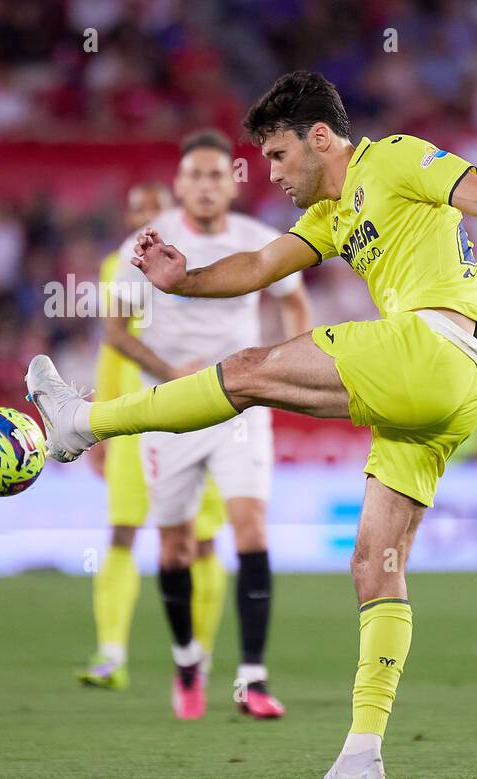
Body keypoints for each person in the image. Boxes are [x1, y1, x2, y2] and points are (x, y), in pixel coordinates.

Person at [26, 71, 477, 779]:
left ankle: (81, 424)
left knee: (251, 370)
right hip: (447, 394)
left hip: (433, 347)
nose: (271, 173)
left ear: (320, 138)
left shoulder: (390, 158)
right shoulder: (331, 216)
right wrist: (183, 279)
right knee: (374, 567)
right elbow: (260, 267)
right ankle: (363, 759)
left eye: (278, 156)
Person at [102, 130, 314, 720]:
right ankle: (188, 659)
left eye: (217, 175)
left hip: (240, 408)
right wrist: (171, 370)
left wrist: (281, 361)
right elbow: (117, 332)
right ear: (178, 185)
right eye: (194, 175)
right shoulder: (140, 247)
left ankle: (253, 678)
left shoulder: (258, 240)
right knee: (173, 546)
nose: (204, 185)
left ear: (232, 182)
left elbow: (293, 300)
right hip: (169, 412)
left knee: (250, 528)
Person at [81, 182, 230, 695]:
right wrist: (98, 422)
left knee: (202, 541)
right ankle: (111, 655)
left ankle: (198, 662)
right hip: (130, 424)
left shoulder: (192, 266)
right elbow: (111, 349)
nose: (142, 215)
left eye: (152, 207)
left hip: (193, 421)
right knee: (122, 532)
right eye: (135, 208)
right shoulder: (115, 266)